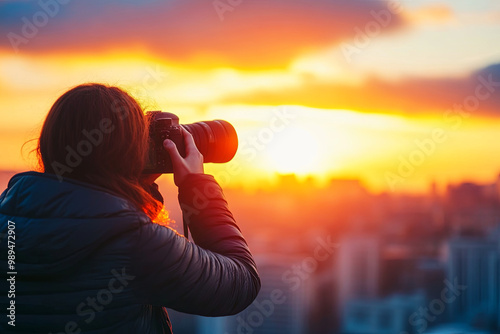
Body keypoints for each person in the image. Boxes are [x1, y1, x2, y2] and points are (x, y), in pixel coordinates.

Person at [0, 83, 261, 333]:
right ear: (132, 153)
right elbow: (241, 283)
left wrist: (136, 186)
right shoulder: (133, 242)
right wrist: (197, 187)